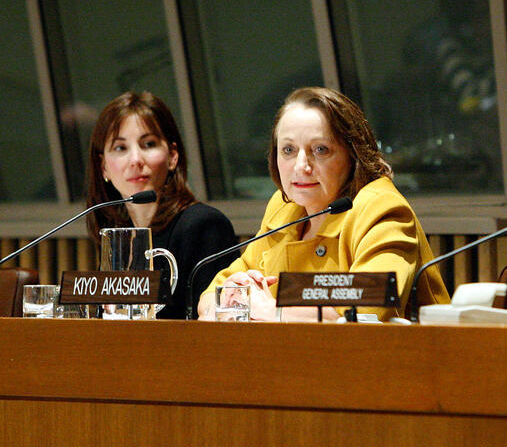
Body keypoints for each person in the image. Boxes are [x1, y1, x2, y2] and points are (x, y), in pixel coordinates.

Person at [199, 87, 449, 321]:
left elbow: (369, 307)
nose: (301, 166)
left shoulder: (380, 208)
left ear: (353, 155)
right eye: (288, 150)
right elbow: (210, 296)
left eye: (320, 150)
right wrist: (232, 297)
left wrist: (271, 310)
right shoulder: (285, 207)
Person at [86, 91, 236, 320]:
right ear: (103, 166)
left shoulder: (204, 226)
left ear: (173, 156)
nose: (135, 160)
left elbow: (215, 326)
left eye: (148, 144)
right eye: (120, 148)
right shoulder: (118, 236)